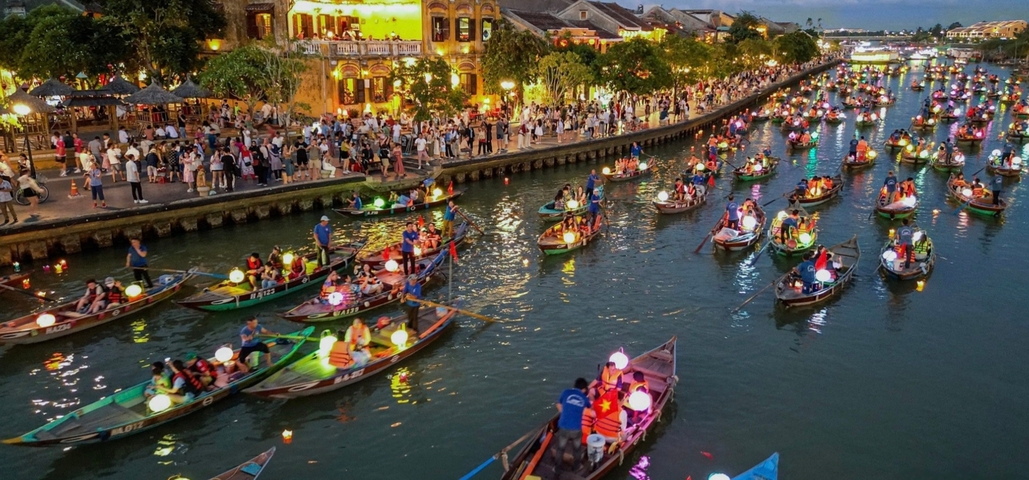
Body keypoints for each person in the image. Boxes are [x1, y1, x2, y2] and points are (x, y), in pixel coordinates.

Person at [550, 378, 591, 472]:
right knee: (577, 449)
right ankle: (577, 467)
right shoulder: (584, 398)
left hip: (563, 427)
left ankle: (557, 468)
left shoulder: (565, 392)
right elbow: (590, 408)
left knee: (560, 449)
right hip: (576, 429)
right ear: (584, 389)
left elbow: (558, 404)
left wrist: (564, 412)